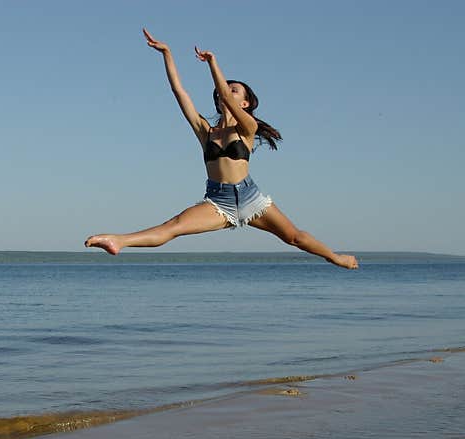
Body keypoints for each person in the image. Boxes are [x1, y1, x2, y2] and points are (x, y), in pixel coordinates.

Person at [85, 29, 358, 270]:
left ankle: (336, 258)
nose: (227, 91)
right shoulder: (207, 132)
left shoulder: (246, 128)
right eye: (225, 88)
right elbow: (180, 93)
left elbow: (224, 95)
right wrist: (167, 54)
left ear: (247, 104)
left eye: (235, 90)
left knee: (294, 237)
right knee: (172, 228)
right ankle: (119, 240)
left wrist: (213, 63)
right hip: (219, 201)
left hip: (252, 198)